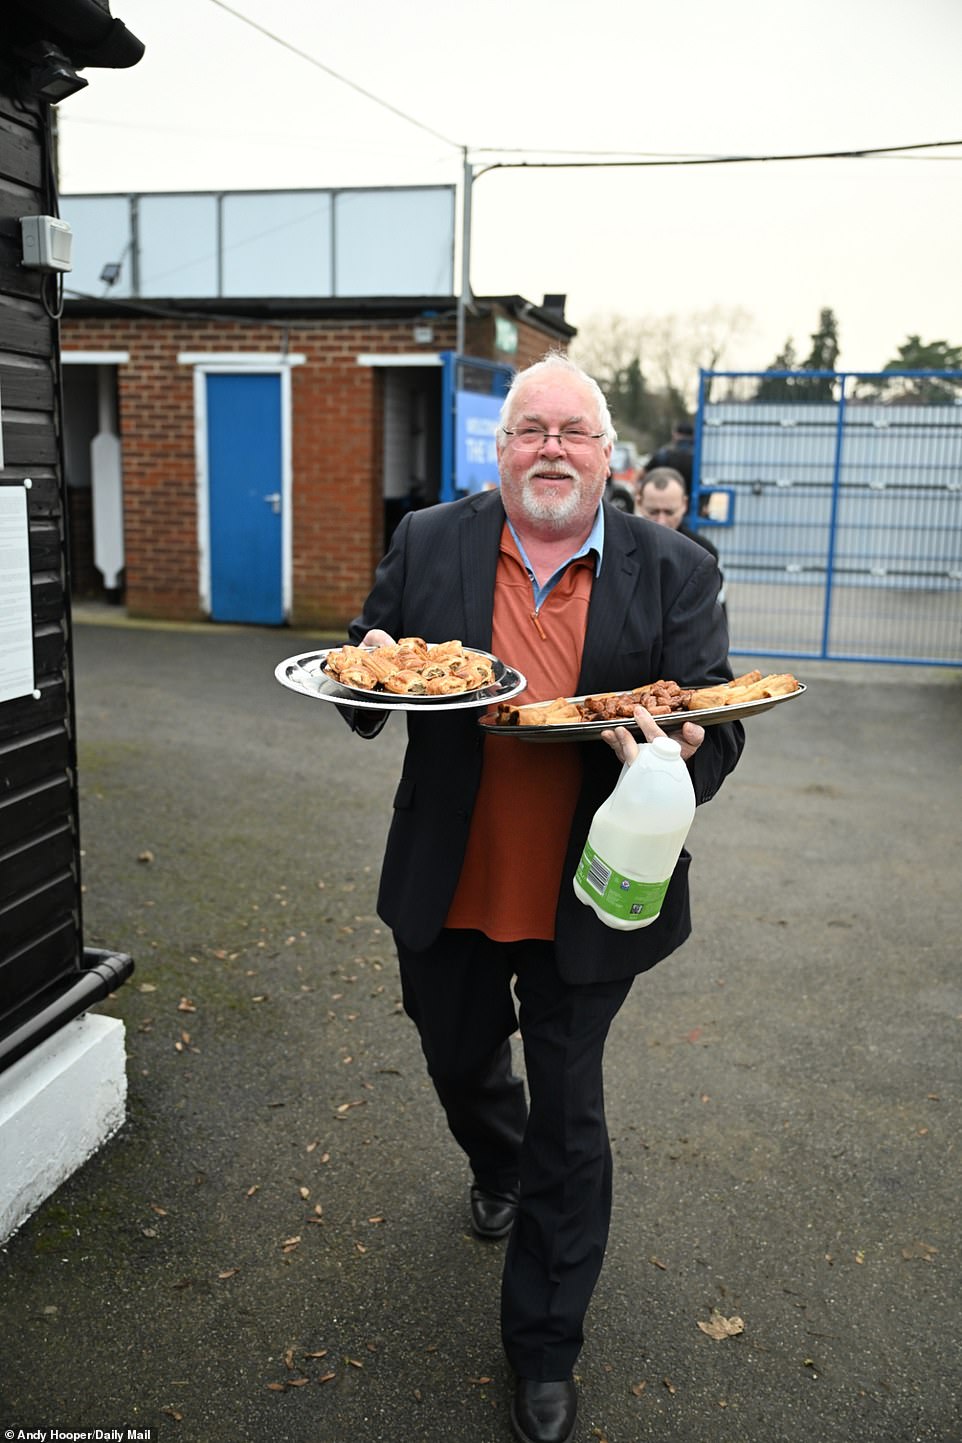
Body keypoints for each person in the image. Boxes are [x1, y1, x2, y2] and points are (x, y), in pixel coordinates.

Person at [344, 354, 743, 1443]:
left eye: (571, 430)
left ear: (605, 455)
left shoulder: (674, 568)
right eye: (529, 430)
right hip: (449, 874)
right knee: (454, 1055)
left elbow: (716, 725)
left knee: (571, 1122)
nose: (550, 448)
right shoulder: (430, 539)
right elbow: (370, 662)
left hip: (591, 892)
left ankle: (543, 1347)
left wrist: (678, 754)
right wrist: (365, 661)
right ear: (500, 447)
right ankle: (493, 1157)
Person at [638, 466, 726, 611]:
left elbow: (716, 610)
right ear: (639, 502)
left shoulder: (704, 552)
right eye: (653, 512)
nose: (661, 521)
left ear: (685, 504)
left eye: (669, 512)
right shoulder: (618, 546)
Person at [641, 420, 694, 490]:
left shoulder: (664, 453)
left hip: (666, 496)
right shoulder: (700, 457)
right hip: (694, 499)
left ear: (676, 434)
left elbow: (642, 474)